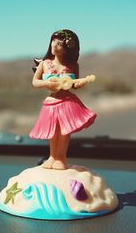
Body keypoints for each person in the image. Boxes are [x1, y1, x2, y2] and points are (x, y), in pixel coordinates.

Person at [29, 29, 96, 170]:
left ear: (68, 47)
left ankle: (61, 158)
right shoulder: (45, 64)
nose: (54, 45)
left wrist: (82, 82)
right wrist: (46, 83)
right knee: (53, 132)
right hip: (51, 103)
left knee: (65, 132)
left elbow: (75, 85)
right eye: (53, 42)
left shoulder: (72, 66)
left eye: (58, 43)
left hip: (67, 102)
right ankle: (52, 156)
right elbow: (35, 82)